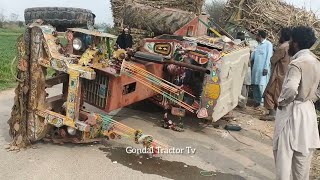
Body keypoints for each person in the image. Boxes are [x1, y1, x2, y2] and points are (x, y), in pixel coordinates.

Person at [273, 26, 320, 180]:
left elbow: (291, 88)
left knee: (284, 159)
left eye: (292, 40)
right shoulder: (315, 61)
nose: (290, 43)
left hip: (292, 113)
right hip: (308, 112)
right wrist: (309, 98)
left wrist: (281, 101)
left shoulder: (297, 63)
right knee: (302, 159)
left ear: (296, 43)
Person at [263, 28, 291, 120]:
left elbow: (273, 60)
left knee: (270, 93)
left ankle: (272, 113)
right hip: (287, 75)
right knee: (279, 94)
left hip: (279, 74)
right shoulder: (291, 47)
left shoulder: (283, 47)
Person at [251, 30, 273, 109]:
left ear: (260, 36)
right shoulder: (257, 44)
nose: (256, 37)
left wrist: (266, 68)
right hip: (256, 68)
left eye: (257, 35)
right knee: (255, 85)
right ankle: (257, 101)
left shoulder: (268, 44)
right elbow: (252, 57)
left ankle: (263, 103)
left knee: (261, 86)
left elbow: (269, 57)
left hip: (263, 69)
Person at [236, 32, 251, 109]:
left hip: (244, 69)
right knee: (245, 87)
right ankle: (243, 103)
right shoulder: (247, 45)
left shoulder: (241, 45)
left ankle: (242, 104)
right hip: (246, 68)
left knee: (243, 87)